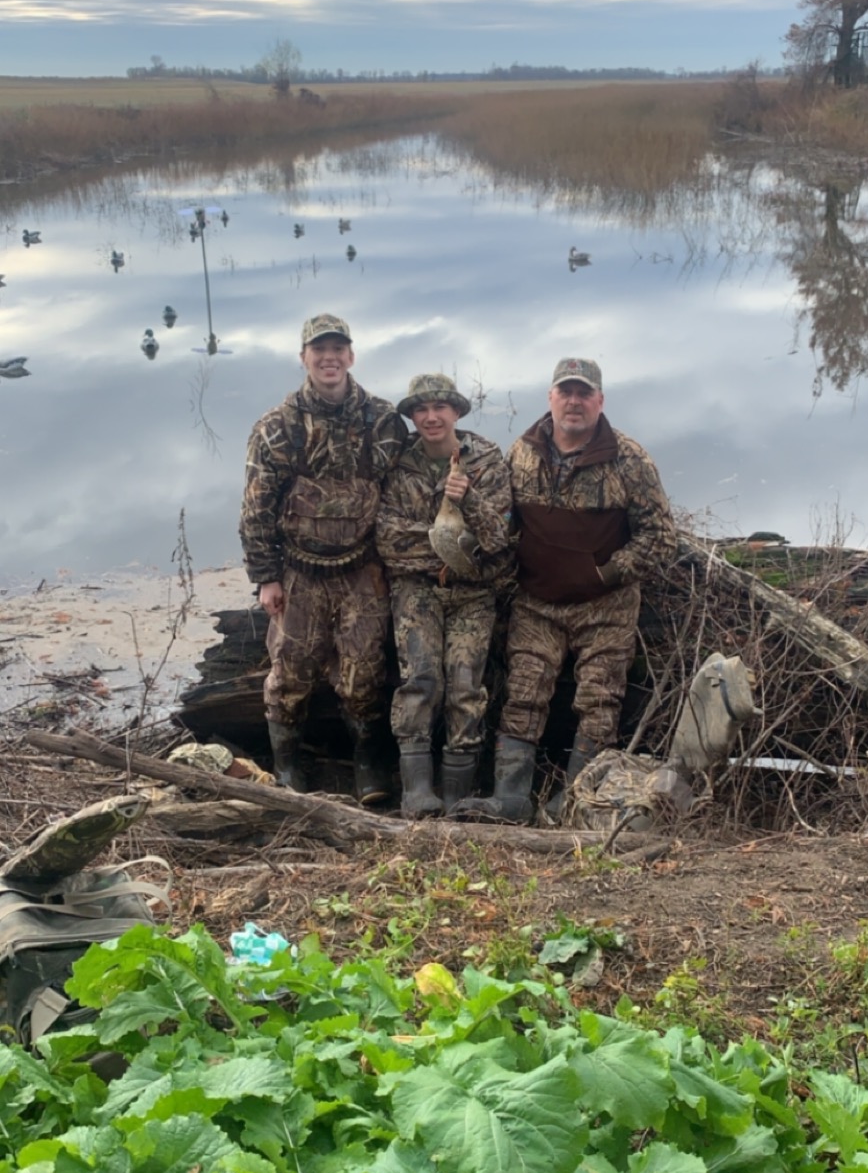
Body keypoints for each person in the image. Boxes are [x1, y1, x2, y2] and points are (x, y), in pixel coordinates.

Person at [457, 357, 677, 823]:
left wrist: (606, 575)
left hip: (606, 607)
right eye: (566, 392)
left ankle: (576, 802)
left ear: (599, 401)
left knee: (599, 702)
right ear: (550, 398)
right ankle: (511, 800)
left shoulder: (630, 459)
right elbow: (502, 523)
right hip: (537, 604)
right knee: (523, 694)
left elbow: (660, 537)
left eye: (584, 393)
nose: (574, 402)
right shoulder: (521, 454)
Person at [239, 313, 406, 802]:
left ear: (351, 356)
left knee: (365, 673)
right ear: (304, 358)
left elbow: (401, 493)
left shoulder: (384, 419)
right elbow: (256, 508)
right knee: (289, 672)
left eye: (338, 348)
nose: (329, 357)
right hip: (298, 571)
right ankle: (288, 764)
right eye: (319, 349)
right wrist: (266, 577)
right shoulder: (276, 427)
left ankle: (369, 761)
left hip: (363, 569)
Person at [376, 373, 514, 817]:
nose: (431, 417)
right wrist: (452, 544)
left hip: (473, 593)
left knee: (464, 684)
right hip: (416, 590)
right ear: (412, 416)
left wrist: (469, 500)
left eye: (440, 408)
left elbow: (499, 538)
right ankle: (416, 792)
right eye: (421, 409)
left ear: (456, 412)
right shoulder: (398, 463)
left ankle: (459, 796)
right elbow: (388, 539)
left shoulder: (488, 459)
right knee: (420, 679)